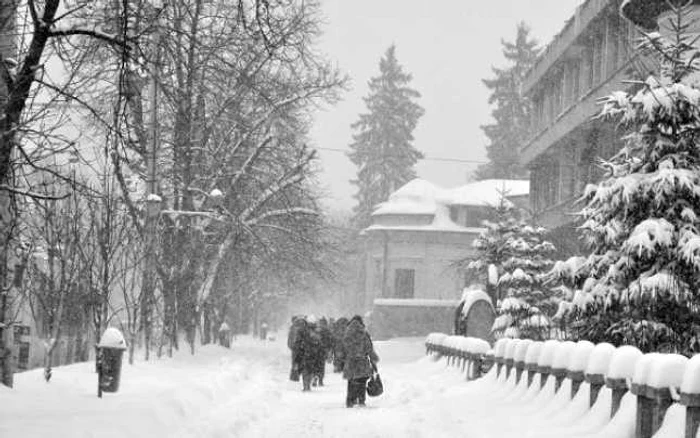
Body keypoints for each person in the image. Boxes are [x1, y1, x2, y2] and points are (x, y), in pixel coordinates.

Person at [338, 315, 379, 407]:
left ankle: (350, 400)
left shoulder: (347, 334)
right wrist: (373, 358)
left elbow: (342, 349)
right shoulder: (364, 334)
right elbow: (369, 348)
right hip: (362, 362)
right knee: (362, 381)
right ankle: (361, 400)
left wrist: (341, 360)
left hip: (350, 362)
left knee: (351, 381)